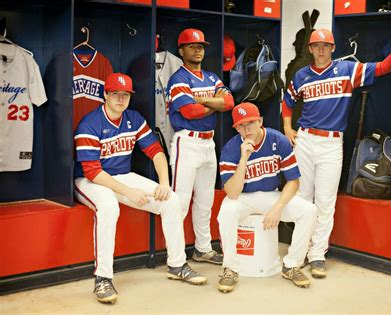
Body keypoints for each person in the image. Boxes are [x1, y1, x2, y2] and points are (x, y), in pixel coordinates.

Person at [74, 73, 207, 304]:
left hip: (122, 176)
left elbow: (155, 151)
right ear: (105, 95)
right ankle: (103, 278)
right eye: (115, 93)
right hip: (90, 182)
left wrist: (164, 182)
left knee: (171, 200)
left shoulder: (133, 119)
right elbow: (92, 171)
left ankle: (177, 265)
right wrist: (127, 191)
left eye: (125, 95)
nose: (120, 99)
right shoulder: (90, 123)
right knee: (108, 206)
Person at [282, 28, 391, 278]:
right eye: (317, 46)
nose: (321, 49)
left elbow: (384, 67)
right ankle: (300, 251)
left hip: (331, 144)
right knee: (303, 198)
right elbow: (288, 101)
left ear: (333, 48)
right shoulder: (302, 75)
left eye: (326, 45)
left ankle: (317, 254)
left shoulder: (347, 70)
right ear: (310, 49)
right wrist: (286, 127)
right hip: (304, 139)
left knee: (326, 201)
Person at [217, 102, 317, 293]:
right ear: (236, 127)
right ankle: (231, 268)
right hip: (243, 197)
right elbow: (232, 193)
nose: (247, 129)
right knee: (227, 210)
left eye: (251, 123)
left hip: (271, 195)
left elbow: (293, 182)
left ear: (260, 121)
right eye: (241, 125)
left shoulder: (277, 140)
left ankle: (291, 265)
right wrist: (243, 159)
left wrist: (278, 207)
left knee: (309, 211)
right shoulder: (231, 148)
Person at [167, 28, 234, 264]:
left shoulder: (212, 77)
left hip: (208, 143)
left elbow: (230, 102)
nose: (198, 49)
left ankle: (202, 249)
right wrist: (215, 103)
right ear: (181, 50)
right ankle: (175, 258)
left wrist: (202, 99)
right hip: (187, 142)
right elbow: (189, 111)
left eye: (201, 46)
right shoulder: (178, 79)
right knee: (179, 203)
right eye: (193, 46)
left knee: (205, 201)